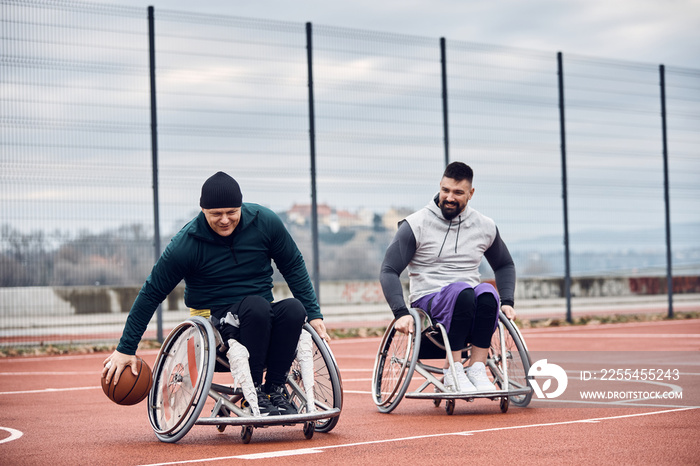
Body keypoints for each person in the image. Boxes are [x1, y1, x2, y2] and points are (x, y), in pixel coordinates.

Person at [102, 171, 329, 416]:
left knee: (295, 308)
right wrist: (126, 348)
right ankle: (251, 392)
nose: (224, 220)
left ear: (241, 206)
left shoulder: (265, 222)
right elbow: (151, 293)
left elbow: (293, 265)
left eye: (232, 212)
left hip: (260, 317)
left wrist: (314, 315)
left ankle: (273, 388)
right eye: (216, 214)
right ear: (202, 210)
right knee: (257, 307)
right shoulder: (186, 243)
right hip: (216, 322)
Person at [379, 162, 515, 393]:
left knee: (488, 294)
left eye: (458, 193)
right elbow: (389, 270)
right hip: (428, 301)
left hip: (470, 298)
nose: (449, 197)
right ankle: (452, 370)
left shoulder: (484, 225)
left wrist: (509, 301)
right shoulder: (416, 224)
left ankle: (477, 368)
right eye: (445, 190)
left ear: (471, 194)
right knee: (462, 291)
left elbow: (504, 264)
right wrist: (400, 313)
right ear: (440, 187)